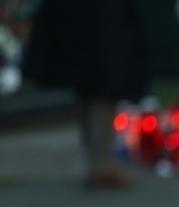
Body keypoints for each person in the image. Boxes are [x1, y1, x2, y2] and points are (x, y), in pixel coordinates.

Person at [23, 0, 148, 190]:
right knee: (102, 89)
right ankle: (101, 166)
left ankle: (98, 162)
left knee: (92, 91)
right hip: (98, 27)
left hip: (84, 26)